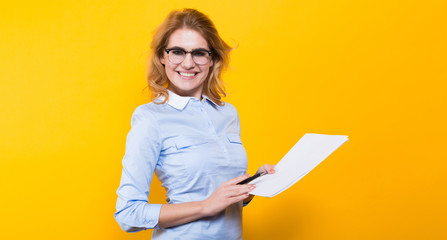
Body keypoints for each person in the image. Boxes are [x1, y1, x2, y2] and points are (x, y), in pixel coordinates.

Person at [114, 8, 275, 239]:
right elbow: (128, 213)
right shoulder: (150, 118)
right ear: (162, 56)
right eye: (177, 52)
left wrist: (252, 185)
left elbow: (220, 194)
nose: (188, 63)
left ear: (212, 59)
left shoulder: (227, 113)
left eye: (199, 53)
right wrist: (205, 206)